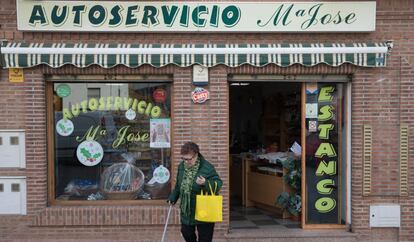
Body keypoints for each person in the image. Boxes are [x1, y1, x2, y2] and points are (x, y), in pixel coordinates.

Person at [167, 142, 223, 242]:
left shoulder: (207, 167)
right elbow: (179, 186)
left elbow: (218, 184)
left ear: (196, 155)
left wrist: (205, 183)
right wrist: (173, 197)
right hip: (187, 210)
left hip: (204, 209)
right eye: (184, 159)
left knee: (205, 238)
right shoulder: (182, 167)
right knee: (186, 233)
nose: (186, 162)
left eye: (189, 159)